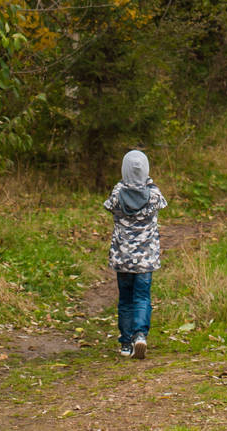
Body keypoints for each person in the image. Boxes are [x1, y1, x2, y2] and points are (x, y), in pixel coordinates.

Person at [103, 149, 167, 359]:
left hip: (123, 258)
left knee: (125, 300)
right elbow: (161, 204)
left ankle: (125, 343)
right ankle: (140, 334)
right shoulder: (154, 196)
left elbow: (110, 206)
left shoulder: (117, 194)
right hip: (145, 259)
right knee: (142, 297)